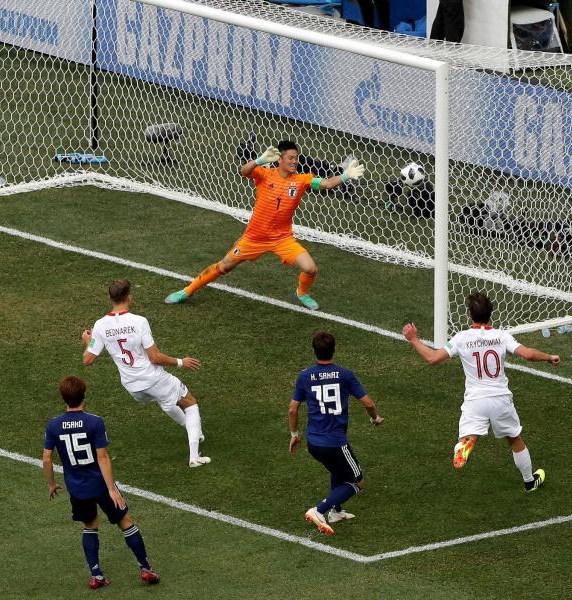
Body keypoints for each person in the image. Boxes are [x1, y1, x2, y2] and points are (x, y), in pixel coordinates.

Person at [164, 140, 365, 311]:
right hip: (254, 238)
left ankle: (301, 293)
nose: (295, 162)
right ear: (280, 159)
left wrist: (346, 175)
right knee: (223, 266)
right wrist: (258, 160)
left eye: (296, 158)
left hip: (282, 239)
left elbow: (327, 184)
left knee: (311, 269)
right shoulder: (265, 174)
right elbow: (243, 171)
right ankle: (187, 290)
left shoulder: (302, 180)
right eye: (291, 158)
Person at [402, 292, 560, 491]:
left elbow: (433, 358)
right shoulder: (501, 336)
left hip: (475, 401)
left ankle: (465, 445)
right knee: (514, 438)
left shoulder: (461, 338)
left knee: (468, 436)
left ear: (470, 315)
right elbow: (528, 354)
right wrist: (549, 357)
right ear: (491, 314)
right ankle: (529, 481)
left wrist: (414, 339)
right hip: (500, 399)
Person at [43, 375, 160, 590]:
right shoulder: (94, 421)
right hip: (100, 484)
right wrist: (111, 489)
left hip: (77, 488)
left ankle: (96, 575)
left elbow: (47, 458)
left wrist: (51, 484)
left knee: (90, 526)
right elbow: (102, 457)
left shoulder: (53, 425)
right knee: (125, 521)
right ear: (84, 395)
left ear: (63, 398)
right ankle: (146, 568)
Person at [83, 279, 209, 467]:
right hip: (152, 378)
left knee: (166, 400)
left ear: (110, 298)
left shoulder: (100, 325)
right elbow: (155, 357)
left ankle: (195, 432)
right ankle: (194, 456)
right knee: (190, 403)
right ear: (129, 297)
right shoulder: (139, 322)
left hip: (132, 387)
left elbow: (88, 359)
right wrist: (182, 362)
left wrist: (91, 341)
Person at [289, 331, 384, 536]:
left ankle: (336, 511)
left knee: (337, 469)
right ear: (335, 350)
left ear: (313, 351)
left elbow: (293, 409)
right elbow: (368, 402)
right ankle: (319, 510)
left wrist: (294, 434)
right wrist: (375, 418)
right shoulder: (345, 375)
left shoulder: (305, 376)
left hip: (314, 443)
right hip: (335, 442)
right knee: (357, 482)